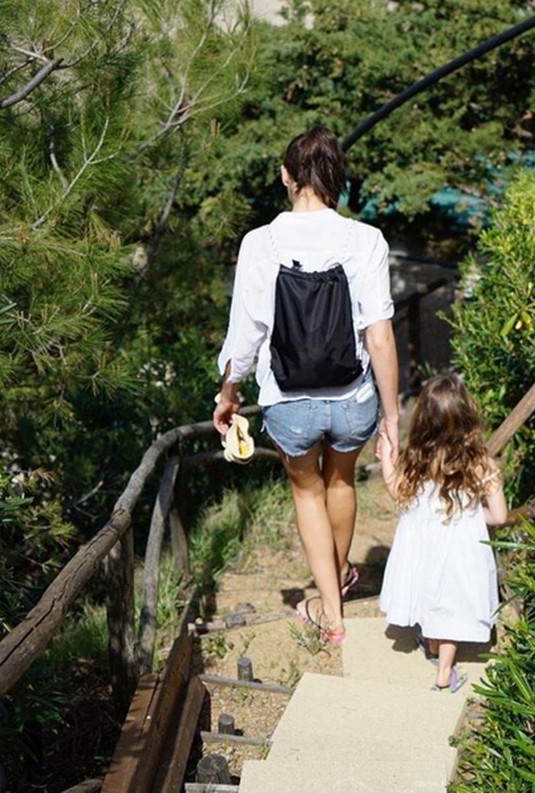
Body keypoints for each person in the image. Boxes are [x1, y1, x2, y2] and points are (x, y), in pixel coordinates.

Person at [213, 126, 400, 645]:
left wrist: (229, 395)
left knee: (307, 492)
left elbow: (245, 335)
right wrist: (392, 417)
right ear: (338, 178)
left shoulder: (260, 243)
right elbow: (379, 336)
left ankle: (332, 615)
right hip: (354, 398)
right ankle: (336, 581)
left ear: (286, 176)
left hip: (288, 401)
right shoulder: (366, 240)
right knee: (341, 482)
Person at [376, 374, 507, 692]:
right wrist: (472, 515)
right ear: (468, 418)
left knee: (430, 592)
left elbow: (396, 491)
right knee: (451, 603)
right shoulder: (481, 465)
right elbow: (500, 516)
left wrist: (386, 458)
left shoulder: (417, 460)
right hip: (462, 548)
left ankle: (432, 645)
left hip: (423, 543)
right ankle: (445, 669)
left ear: (422, 419)